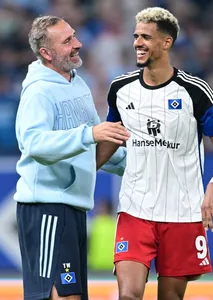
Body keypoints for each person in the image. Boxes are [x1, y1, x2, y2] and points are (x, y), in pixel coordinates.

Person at [96, 7, 213, 300]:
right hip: (135, 209)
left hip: (182, 212)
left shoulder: (196, 91)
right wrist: (85, 170)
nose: (138, 42)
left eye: (146, 37)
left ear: (166, 42)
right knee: (128, 296)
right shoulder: (121, 89)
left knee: (170, 298)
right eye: (136, 36)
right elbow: (114, 135)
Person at [14, 16, 129, 300]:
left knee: (71, 296)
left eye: (74, 36)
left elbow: (97, 144)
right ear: (46, 53)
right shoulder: (38, 91)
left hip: (74, 209)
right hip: (46, 208)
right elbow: (33, 143)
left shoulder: (78, 84)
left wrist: (137, 164)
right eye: (67, 41)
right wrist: (90, 134)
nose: (78, 44)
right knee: (61, 296)